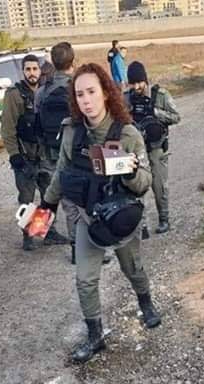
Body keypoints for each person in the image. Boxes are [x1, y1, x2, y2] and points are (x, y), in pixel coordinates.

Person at [39, 63, 162, 363]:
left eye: (92, 92)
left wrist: (130, 171)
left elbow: (145, 183)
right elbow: (61, 172)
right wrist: (46, 207)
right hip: (88, 217)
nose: (86, 100)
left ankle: (145, 302)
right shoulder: (72, 132)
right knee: (84, 279)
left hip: (121, 218)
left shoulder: (128, 134)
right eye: (79, 94)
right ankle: (95, 336)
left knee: (133, 268)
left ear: (106, 93)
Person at [1, 54, 70, 251]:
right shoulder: (14, 95)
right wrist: (15, 155)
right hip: (25, 156)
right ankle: (28, 235)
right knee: (27, 198)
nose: (32, 73)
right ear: (23, 71)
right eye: (28, 69)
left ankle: (48, 232)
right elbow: (7, 128)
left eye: (35, 69)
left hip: (44, 155)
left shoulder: (45, 92)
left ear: (40, 70)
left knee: (49, 195)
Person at [35, 42, 81, 262]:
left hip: (49, 153)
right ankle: (78, 248)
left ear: (53, 62)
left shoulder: (42, 91)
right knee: (75, 203)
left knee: (49, 196)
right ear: (73, 60)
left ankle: (37, 232)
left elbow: (37, 123)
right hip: (74, 154)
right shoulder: (77, 87)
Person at [124, 61, 181, 234]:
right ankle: (141, 225)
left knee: (159, 186)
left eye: (139, 82)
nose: (136, 87)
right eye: (132, 83)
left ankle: (164, 219)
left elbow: (176, 116)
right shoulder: (126, 98)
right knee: (137, 187)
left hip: (156, 148)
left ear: (145, 80)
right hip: (136, 150)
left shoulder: (160, 95)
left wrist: (156, 113)